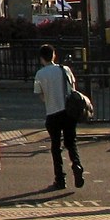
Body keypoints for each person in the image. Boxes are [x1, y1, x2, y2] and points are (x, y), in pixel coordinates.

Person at [33, 44, 84, 189]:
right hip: (68, 112)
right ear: (54, 55)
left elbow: (41, 95)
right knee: (71, 142)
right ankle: (76, 164)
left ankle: (60, 179)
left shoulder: (40, 74)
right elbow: (72, 87)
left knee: (56, 146)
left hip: (52, 112)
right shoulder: (64, 69)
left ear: (41, 58)